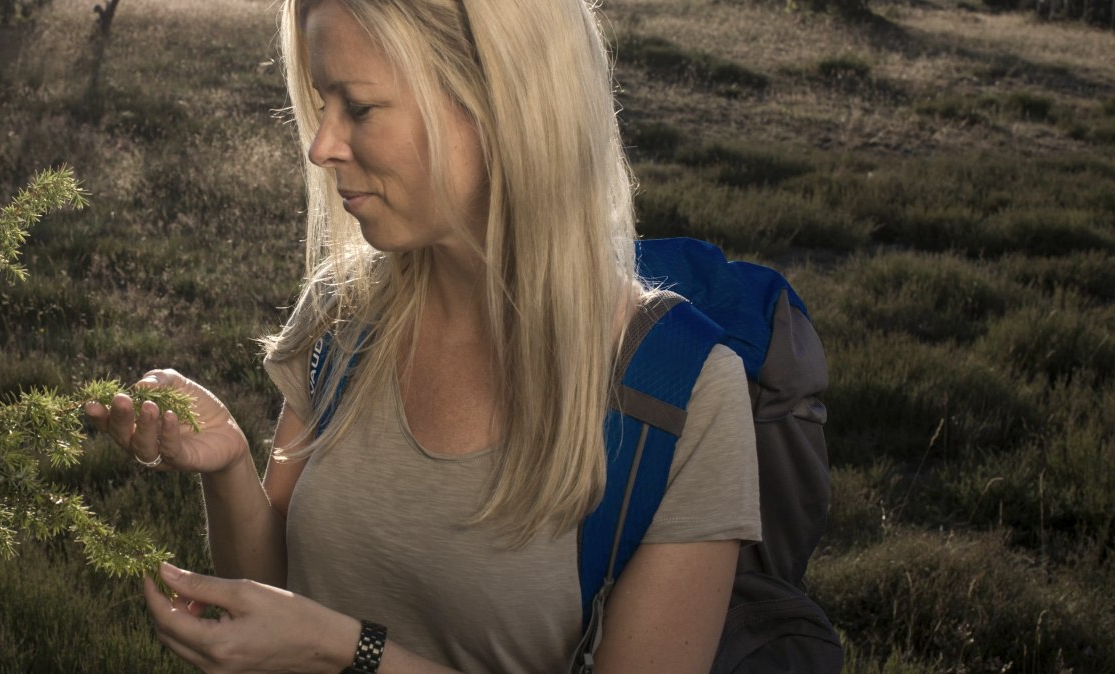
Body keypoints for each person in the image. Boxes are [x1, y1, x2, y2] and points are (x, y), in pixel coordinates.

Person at [83, 0, 760, 671]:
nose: (322, 146)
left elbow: (307, 636)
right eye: (323, 103)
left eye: (361, 107)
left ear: (499, 103)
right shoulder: (343, 315)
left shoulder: (680, 397)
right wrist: (228, 467)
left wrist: (344, 650)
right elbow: (275, 598)